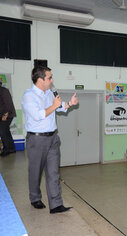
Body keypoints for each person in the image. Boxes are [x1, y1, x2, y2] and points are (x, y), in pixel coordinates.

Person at [22, 66, 78, 214]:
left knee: (53, 172)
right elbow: (38, 115)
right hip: (36, 139)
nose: (52, 80)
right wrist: (54, 105)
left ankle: (56, 204)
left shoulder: (50, 93)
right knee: (35, 172)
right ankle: (35, 198)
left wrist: (69, 103)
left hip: (52, 138)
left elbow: (59, 108)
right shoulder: (29, 96)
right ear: (40, 80)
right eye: (49, 78)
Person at [0, 83, 16, 157]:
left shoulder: (3, 90)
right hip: (2, 114)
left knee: (3, 131)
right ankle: (11, 148)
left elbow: (8, 103)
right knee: (5, 131)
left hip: (7, 114)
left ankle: (7, 149)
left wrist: (5, 115)